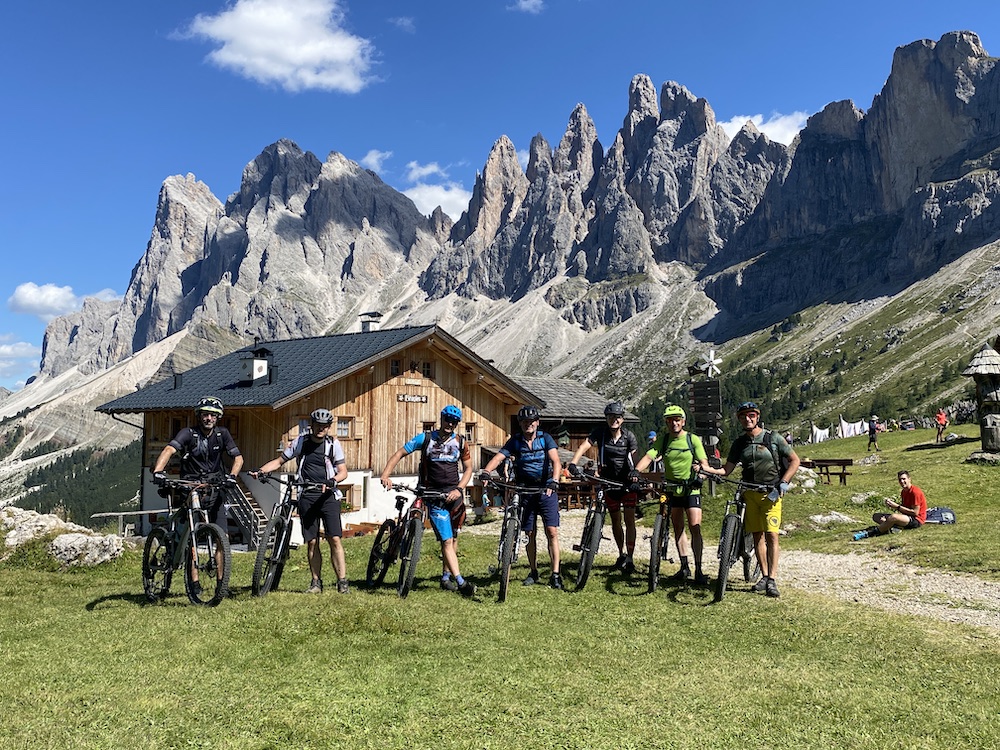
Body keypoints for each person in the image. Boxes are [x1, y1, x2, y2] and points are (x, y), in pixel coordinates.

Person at [380, 405, 476, 598]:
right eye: (447, 419)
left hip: (454, 496)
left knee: (453, 537)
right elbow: (400, 453)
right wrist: (386, 474)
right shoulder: (425, 438)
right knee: (447, 539)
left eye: (454, 421)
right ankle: (460, 582)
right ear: (441, 418)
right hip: (432, 494)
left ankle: (446, 576)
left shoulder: (461, 442)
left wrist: (460, 489)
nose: (450, 423)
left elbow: (468, 469)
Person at [251, 409, 350, 594]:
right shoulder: (301, 441)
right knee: (312, 541)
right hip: (307, 494)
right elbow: (280, 461)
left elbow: (343, 471)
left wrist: (333, 481)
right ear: (311, 425)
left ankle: (342, 582)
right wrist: (261, 470)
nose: (321, 428)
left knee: (334, 538)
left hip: (327, 495)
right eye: (317, 425)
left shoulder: (332, 444)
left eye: (324, 426)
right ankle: (315, 582)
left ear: (329, 427)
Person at [715, 401, 800, 598]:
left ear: (757, 417)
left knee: (772, 535)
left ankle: (772, 579)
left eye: (751, 415)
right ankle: (764, 576)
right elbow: (726, 470)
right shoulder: (739, 443)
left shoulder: (773, 438)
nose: (747, 418)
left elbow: (795, 460)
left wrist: (784, 482)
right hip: (749, 494)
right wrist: (705, 470)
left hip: (771, 494)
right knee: (757, 535)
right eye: (743, 416)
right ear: (739, 419)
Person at [479, 405, 563, 590]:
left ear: (537, 423)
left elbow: (556, 461)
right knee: (529, 533)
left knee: (552, 532)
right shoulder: (515, 441)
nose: (528, 425)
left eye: (532, 421)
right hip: (525, 490)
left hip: (546, 489)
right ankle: (533, 571)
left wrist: (554, 480)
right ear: (521, 424)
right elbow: (499, 457)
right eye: (525, 422)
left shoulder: (545, 438)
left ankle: (555, 574)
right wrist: (486, 471)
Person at [632, 404, 714, 585]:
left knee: (695, 527)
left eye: (677, 420)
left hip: (691, 488)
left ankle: (699, 569)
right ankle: (684, 567)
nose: (673, 423)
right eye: (670, 420)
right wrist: (636, 471)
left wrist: (700, 475)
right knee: (678, 528)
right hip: (672, 489)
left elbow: (704, 463)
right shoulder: (664, 440)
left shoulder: (692, 440)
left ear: (683, 421)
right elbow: (649, 456)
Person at [151, 396, 244, 534]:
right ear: (199, 416)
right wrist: (158, 471)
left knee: (222, 535)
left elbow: (238, 458)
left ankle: (222, 553)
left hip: (214, 486)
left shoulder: (222, 434)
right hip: (190, 485)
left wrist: (232, 476)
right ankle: (183, 545)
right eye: (205, 414)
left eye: (213, 415)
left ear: (218, 417)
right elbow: (169, 449)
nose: (208, 418)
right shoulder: (188, 433)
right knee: (188, 532)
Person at [567, 401, 639, 573]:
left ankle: (630, 558)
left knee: (629, 521)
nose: (614, 420)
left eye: (618, 417)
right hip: (608, 483)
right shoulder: (600, 433)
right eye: (611, 417)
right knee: (615, 521)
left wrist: (636, 473)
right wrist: (573, 463)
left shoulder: (629, 436)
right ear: (607, 418)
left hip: (626, 483)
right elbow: (584, 446)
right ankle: (621, 554)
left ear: (622, 419)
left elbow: (634, 458)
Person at [855, 470, 927, 538]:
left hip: (917, 520)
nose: (902, 481)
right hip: (906, 517)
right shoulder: (903, 492)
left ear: (909, 479)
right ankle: (894, 528)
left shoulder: (915, 492)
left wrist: (897, 507)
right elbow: (904, 508)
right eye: (900, 480)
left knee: (893, 517)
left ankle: (872, 532)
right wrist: (892, 506)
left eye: (904, 479)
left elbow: (915, 513)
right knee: (876, 516)